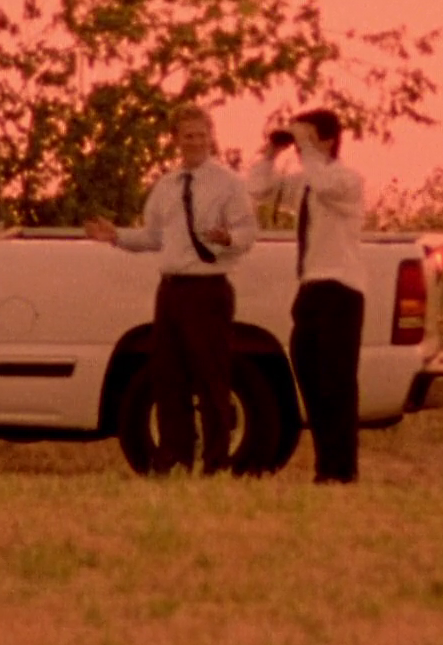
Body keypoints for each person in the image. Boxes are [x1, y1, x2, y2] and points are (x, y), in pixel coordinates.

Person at [86, 107, 259, 473]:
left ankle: (216, 461)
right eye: (187, 136)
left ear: (211, 136)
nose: (194, 142)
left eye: (200, 135)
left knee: (212, 378)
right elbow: (153, 237)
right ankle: (174, 456)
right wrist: (116, 236)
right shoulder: (166, 186)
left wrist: (228, 238)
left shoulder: (228, 184)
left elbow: (248, 233)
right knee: (168, 376)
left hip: (209, 290)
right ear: (175, 139)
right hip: (172, 291)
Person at [248, 110, 365, 484]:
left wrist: (307, 148)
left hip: (341, 289)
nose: (300, 148)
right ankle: (324, 466)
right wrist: (270, 153)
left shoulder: (347, 180)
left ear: (329, 140)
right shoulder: (306, 182)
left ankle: (342, 469)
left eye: (308, 137)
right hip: (311, 288)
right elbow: (259, 190)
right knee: (310, 378)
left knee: (337, 382)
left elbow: (324, 183)